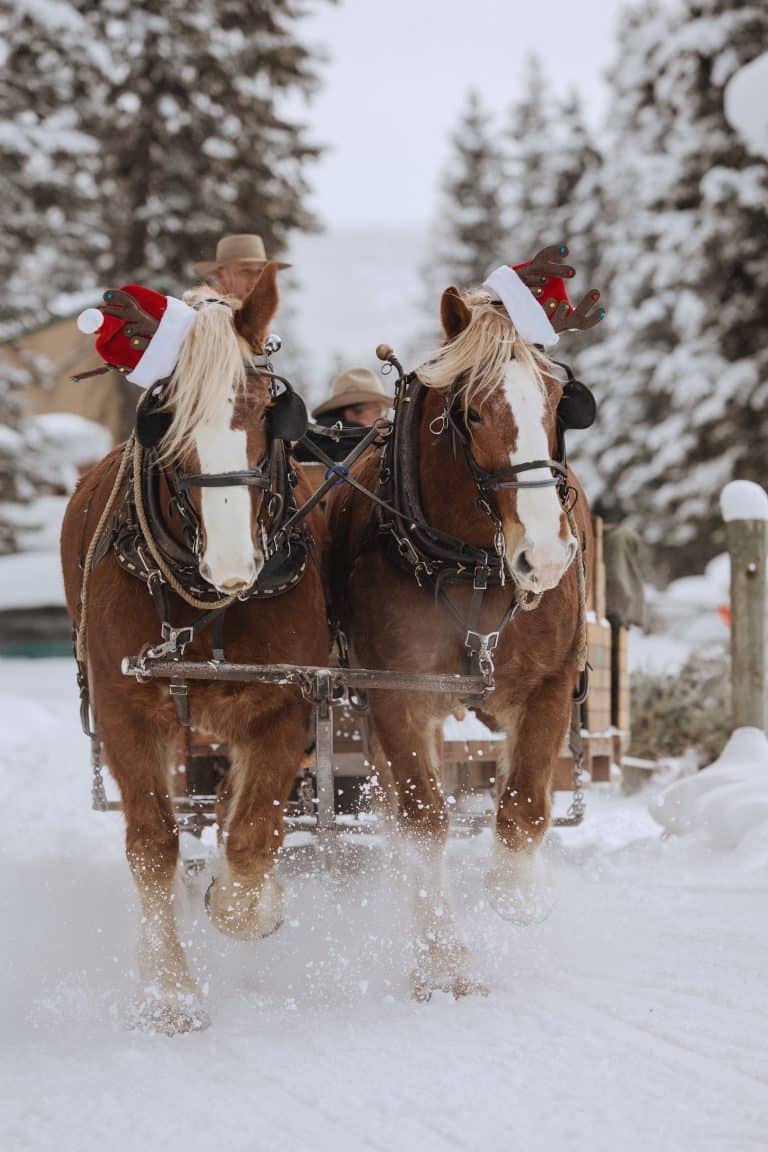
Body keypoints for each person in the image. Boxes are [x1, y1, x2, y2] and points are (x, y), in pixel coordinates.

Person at [294, 368, 392, 463]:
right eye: (380, 412)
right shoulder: (374, 450)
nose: (385, 420)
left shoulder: (301, 445)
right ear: (351, 415)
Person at [190, 233, 291, 298]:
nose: (255, 281)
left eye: (261, 272)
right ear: (221, 276)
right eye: (246, 271)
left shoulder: (258, 323)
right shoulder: (200, 318)